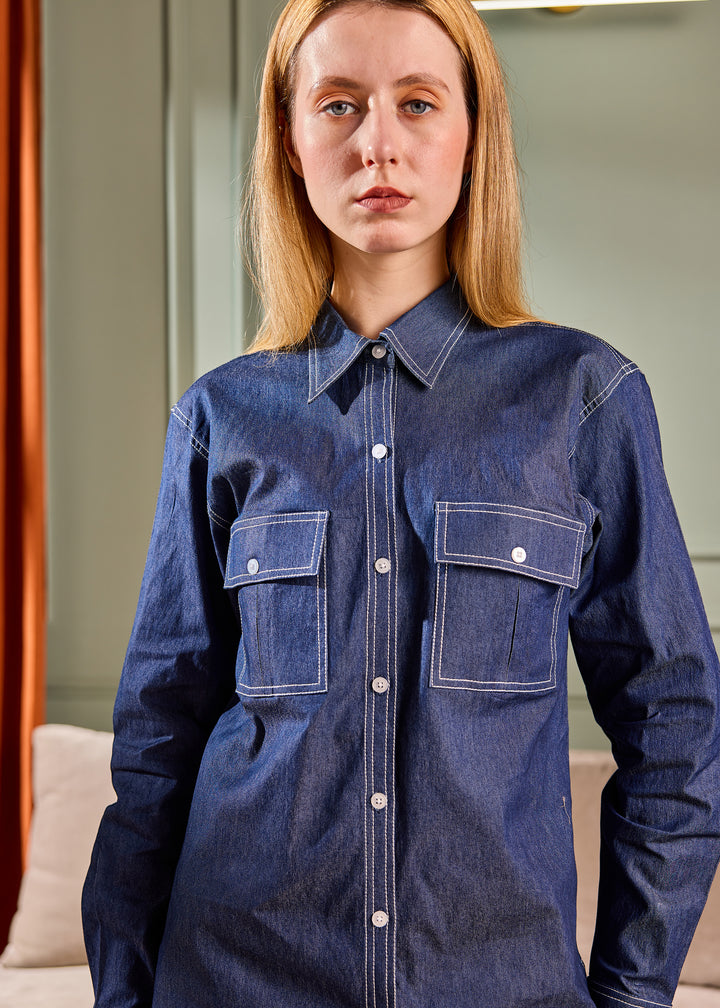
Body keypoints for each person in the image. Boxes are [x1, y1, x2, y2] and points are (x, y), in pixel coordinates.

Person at [82, 0, 720, 1005]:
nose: (377, 143)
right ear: (290, 141)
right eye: (338, 105)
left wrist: (632, 995)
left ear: (474, 131)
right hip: (234, 976)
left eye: (417, 102)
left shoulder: (583, 399)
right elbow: (157, 749)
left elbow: (675, 726)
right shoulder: (219, 419)